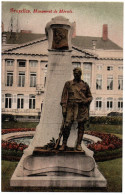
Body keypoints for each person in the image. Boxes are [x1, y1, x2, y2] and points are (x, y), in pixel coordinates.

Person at [59, 67, 93, 151]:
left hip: (81, 107)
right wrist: (64, 108)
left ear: (80, 74)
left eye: (78, 73)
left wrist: (86, 101)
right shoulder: (68, 84)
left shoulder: (85, 85)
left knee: (81, 126)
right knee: (67, 125)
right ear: (73, 74)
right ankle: (64, 143)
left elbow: (90, 97)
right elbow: (64, 97)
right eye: (75, 73)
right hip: (71, 106)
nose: (76, 75)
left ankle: (78, 144)